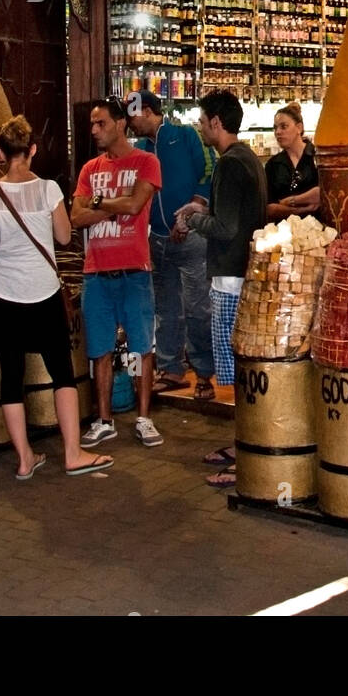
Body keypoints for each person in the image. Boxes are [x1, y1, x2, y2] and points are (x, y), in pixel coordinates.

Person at [0, 116, 113, 478]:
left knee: (11, 376)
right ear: (32, 149)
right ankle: (72, 453)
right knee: (61, 372)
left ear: (0, 152)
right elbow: (65, 238)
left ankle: (24, 459)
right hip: (43, 292)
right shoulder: (49, 189)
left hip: (0, 293)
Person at [174, 90, 267, 488]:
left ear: (216, 122)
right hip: (246, 272)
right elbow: (235, 216)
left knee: (241, 373)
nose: (199, 126)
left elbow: (227, 229)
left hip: (231, 278)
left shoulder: (229, 165)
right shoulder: (249, 159)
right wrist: (203, 211)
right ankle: (243, 444)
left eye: (202, 119)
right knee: (246, 370)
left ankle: (248, 454)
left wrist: (193, 223)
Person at [71, 98, 165, 449]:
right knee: (100, 349)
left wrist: (96, 204)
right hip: (96, 272)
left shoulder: (146, 162)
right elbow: (75, 217)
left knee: (142, 347)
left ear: (121, 124)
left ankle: (144, 418)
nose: (95, 130)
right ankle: (104, 419)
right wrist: (110, 206)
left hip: (135, 270)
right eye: (92, 125)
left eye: (101, 124)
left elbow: (135, 204)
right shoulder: (89, 169)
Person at [127, 90, 216, 402]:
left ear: (150, 110)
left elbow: (208, 170)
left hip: (191, 235)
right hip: (158, 238)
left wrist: (193, 207)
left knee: (198, 308)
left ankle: (204, 373)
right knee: (165, 309)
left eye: (133, 114)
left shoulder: (185, 135)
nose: (130, 122)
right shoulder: (138, 149)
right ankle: (171, 370)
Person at [264, 101, 320, 220]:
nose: (278, 132)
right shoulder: (273, 164)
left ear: (299, 128)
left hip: (319, 232)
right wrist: (302, 209)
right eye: (275, 128)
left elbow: (321, 194)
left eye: (284, 126)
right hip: (283, 233)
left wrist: (289, 201)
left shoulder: (318, 157)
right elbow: (269, 208)